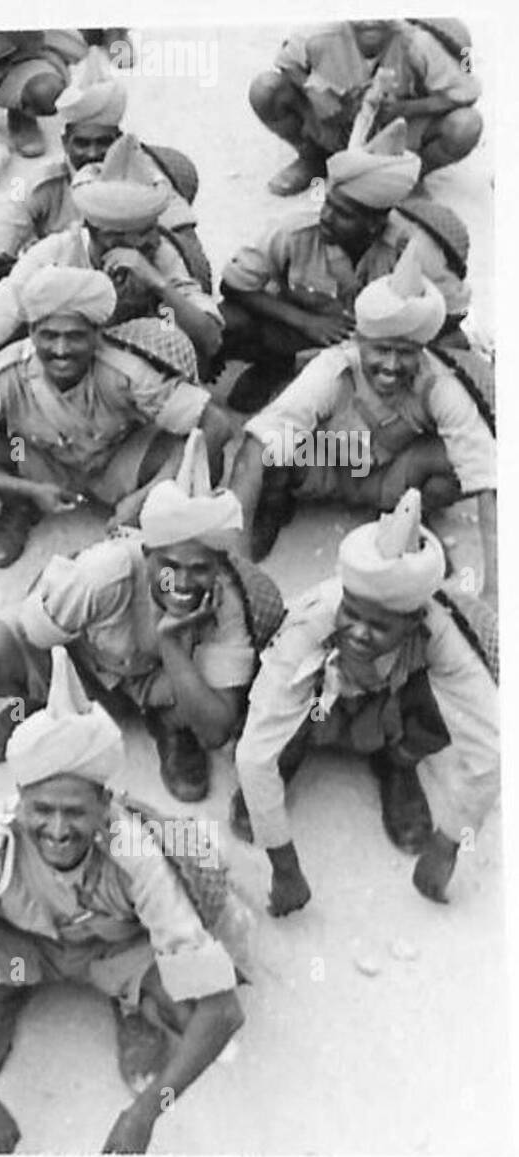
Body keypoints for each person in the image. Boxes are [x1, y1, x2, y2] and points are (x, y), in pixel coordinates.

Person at [0, 646, 244, 1154]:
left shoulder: (134, 850)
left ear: (106, 805)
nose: (58, 830)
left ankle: (130, 1003)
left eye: (75, 812)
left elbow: (224, 1013)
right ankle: (10, 987)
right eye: (42, 809)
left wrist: (145, 1116)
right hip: (21, 945)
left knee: (193, 1014)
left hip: (118, 952)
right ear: (19, 799)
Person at [0, 430, 269, 803]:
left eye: (200, 568)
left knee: (207, 705)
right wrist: (55, 678)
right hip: (85, 659)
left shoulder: (227, 603)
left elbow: (217, 729)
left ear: (218, 567)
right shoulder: (102, 572)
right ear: (146, 552)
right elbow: (35, 631)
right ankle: (35, 701)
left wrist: (171, 646)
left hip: (161, 682)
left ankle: (169, 726)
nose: (182, 582)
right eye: (169, 566)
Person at [232, 488, 498, 916]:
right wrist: (284, 866)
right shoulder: (312, 622)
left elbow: (492, 748)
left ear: (413, 621)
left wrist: (448, 845)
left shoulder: (438, 628)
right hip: (317, 708)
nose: (357, 631)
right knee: (273, 720)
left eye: (379, 625)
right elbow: (252, 756)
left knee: (445, 697)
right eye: (352, 614)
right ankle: (294, 752)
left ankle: (397, 763)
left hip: (385, 708)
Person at [229, 244, 496, 601]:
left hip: (393, 469)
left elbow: (488, 478)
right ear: (360, 341)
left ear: (422, 349)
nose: (390, 365)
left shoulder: (441, 384)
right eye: (381, 350)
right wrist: (238, 564)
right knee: (273, 445)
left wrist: (495, 590)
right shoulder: (332, 367)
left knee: (457, 462)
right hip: (332, 459)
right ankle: (275, 505)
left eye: (405, 353)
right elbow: (254, 446)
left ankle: (406, 515)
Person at [0, 266, 232, 568]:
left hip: (118, 460)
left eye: (75, 336)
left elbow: (215, 424)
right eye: (48, 335)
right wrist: (28, 490)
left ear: (97, 334)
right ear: (30, 332)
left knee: (201, 459)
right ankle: (20, 505)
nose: (61, 350)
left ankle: (150, 525)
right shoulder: (0, 378)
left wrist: (142, 497)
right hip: (34, 459)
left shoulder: (126, 372)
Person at [219, 119, 466, 410]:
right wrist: (307, 322)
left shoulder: (415, 245)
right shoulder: (294, 231)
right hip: (306, 329)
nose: (326, 216)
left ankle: (403, 404)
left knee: (456, 348)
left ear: (375, 224)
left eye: (343, 214)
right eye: (328, 204)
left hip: (384, 347)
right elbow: (233, 286)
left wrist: (391, 337)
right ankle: (273, 368)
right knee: (228, 321)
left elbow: (452, 315)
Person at [0, 134, 222, 372]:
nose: (153, 239)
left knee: (170, 334)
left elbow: (209, 339)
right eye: (141, 234)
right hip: (64, 363)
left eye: (150, 230)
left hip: (133, 364)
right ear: (104, 236)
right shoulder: (54, 254)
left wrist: (158, 285)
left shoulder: (160, 254)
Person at [0, 47, 202, 303]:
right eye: (82, 143)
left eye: (103, 143)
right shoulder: (38, 182)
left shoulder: (147, 183)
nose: (92, 153)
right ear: (65, 142)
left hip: (137, 295)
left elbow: (188, 248)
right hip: (64, 301)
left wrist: (168, 291)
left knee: (170, 324)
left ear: (119, 141)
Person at [250, 20, 482, 196]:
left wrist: (406, 108)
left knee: (466, 125)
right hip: (337, 124)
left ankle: (408, 177)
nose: (370, 20)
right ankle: (314, 159)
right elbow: (286, 62)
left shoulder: (417, 42)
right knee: (266, 90)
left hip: (397, 136)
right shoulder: (320, 32)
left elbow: (465, 94)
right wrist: (315, 92)